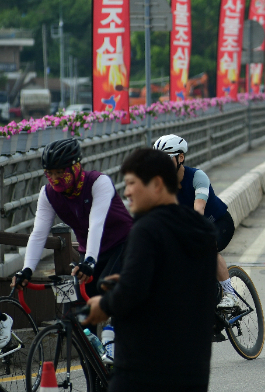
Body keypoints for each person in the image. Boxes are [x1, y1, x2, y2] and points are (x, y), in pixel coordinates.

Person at [83, 148, 217, 392]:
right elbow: (176, 282)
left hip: (145, 369)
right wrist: (125, 279)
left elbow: (133, 291)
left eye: (132, 183)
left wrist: (103, 305)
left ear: (156, 184)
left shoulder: (147, 229)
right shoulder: (201, 229)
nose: (127, 192)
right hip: (193, 368)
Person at [12, 139, 133, 300]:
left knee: (105, 289)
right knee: (75, 301)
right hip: (89, 251)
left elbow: (96, 225)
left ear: (75, 168)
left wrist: (90, 261)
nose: (54, 179)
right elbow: (38, 234)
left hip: (122, 244)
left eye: (60, 173)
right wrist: (27, 269)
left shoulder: (99, 182)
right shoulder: (47, 194)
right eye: (49, 173)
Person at [152, 135, 238, 310]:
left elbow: (199, 209)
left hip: (218, 223)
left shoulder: (197, 177)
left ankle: (230, 294)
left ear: (180, 158)